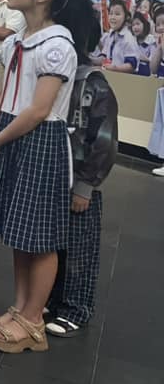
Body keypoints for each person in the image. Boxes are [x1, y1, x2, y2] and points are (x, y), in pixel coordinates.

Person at [0, 0, 97, 354]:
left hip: (40, 140)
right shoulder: (17, 41)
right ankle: (21, 308)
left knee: (40, 237)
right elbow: (2, 93)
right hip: (13, 135)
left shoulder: (57, 46)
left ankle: (33, 320)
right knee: (20, 232)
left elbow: (39, 110)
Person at [46, 28, 116, 337]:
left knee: (79, 251)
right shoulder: (60, 78)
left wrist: (86, 186)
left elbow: (104, 141)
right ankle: (53, 300)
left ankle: (76, 309)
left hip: (80, 182)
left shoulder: (94, 85)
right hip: (57, 175)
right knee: (54, 246)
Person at [90, 0, 140, 73]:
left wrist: (115, 68)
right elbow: (104, 58)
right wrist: (90, 60)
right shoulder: (110, 35)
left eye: (117, 14)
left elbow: (131, 66)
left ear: (126, 17)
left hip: (123, 78)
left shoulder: (128, 38)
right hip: (109, 76)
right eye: (110, 13)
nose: (113, 17)